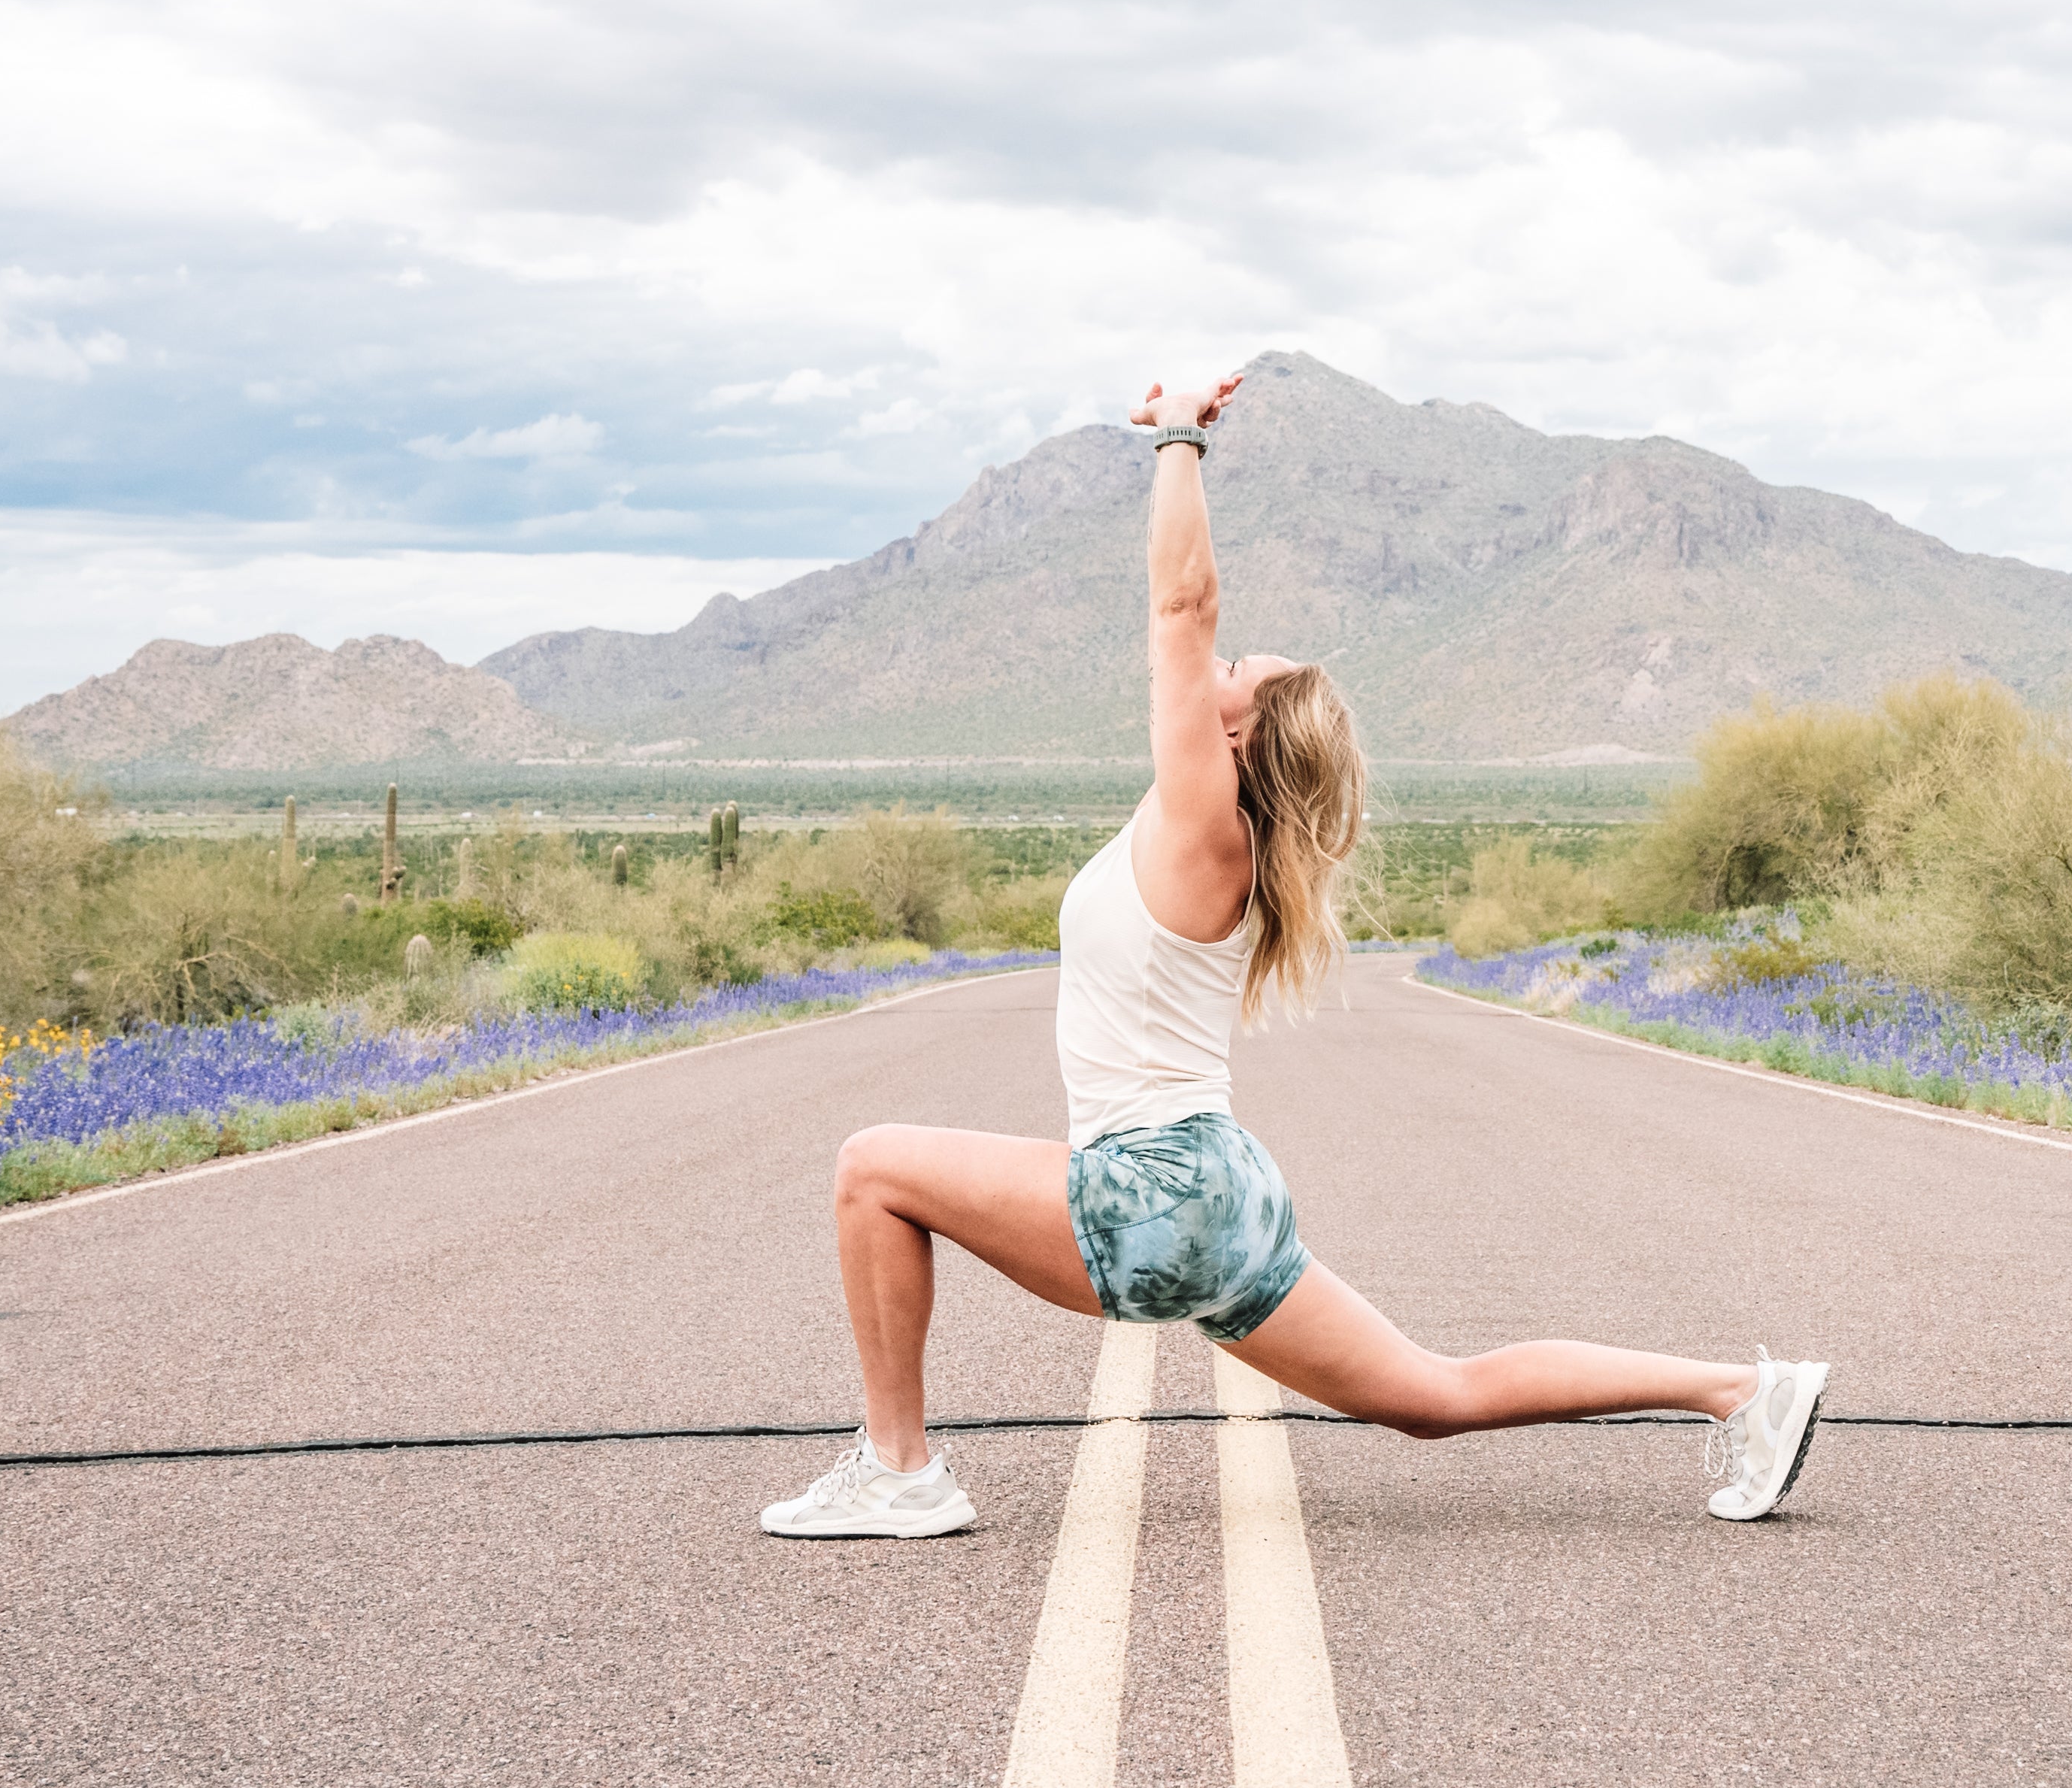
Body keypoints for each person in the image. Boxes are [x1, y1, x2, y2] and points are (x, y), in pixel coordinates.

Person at [761, 369, 1829, 1540]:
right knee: (1436, 1394)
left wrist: (1178, 439)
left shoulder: (1204, 827)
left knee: (871, 1167)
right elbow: (1190, 641)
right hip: (1222, 1191)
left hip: (1155, 1188)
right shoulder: (1214, 838)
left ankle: (901, 1470)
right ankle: (1742, 1390)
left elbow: (1181, 611)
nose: (1217, 670)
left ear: (1240, 734)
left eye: (1239, 678)